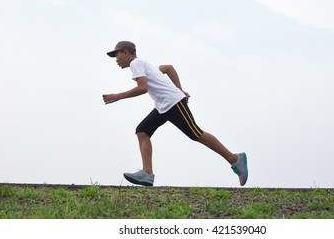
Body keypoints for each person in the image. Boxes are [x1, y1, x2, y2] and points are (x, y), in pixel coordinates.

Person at [102, 41, 248, 186]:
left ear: (126, 53)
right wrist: (180, 89)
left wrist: (117, 96)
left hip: (173, 103)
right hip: (163, 106)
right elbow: (168, 68)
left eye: (117, 55)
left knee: (195, 133)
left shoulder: (136, 63)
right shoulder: (145, 64)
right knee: (142, 130)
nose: (116, 60)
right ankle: (147, 173)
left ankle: (234, 159)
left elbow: (143, 88)